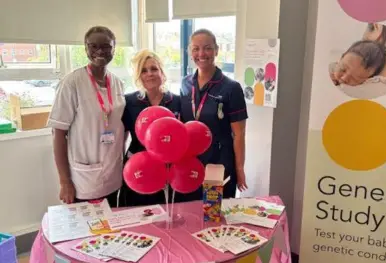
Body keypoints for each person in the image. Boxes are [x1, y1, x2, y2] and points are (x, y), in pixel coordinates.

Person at [47, 26, 125, 207]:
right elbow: (58, 133)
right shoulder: (71, 83)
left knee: (111, 231)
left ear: (114, 48)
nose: (100, 51)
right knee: (85, 231)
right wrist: (65, 182)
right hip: (84, 179)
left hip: (113, 175)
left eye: (106, 46)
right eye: (93, 46)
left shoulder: (117, 83)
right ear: (85, 48)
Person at [179, 28, 248, 201]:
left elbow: (239, 134)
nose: (201, 53)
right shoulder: (185, 84)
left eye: (207, 48)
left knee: (213, 213)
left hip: (218, 162)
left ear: (216, 50)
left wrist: (240, 170)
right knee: (189, 212)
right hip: (190, 162)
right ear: (190, 52)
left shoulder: (231, 88)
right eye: (196, 49)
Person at [120, 49, 181, 207]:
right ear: (139, 76)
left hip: (168, 170)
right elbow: (122, 137)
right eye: (144, 70)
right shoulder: (129, 102)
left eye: (154, 69)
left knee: (166, 214)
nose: (150, 74)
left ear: (162, 72)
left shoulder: (178, 102)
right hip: (138, 169)